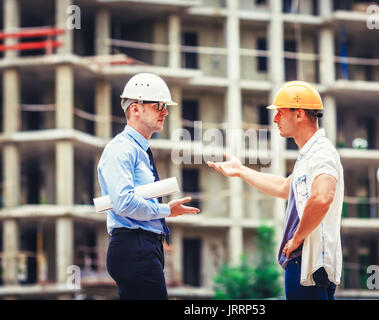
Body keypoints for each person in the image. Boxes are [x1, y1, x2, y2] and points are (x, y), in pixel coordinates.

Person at [208, 81, 344, 300]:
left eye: (280, 112)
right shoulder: (309, 155)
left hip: (307, 264)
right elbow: (283, 187)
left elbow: (322, 197)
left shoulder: (321, 153)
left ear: (299, 114)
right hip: (305, 264)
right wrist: (241, 170)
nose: (275, 119)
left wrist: (297, 238)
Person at [97, 73, 200, 300]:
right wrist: (165, 211)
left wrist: (166, 212)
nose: (165, 111)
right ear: (136, 109)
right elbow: (124, 202)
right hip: (135, 247)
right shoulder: (122, 149)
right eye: (159, 106)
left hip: (143, 247)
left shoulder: (138, 149)